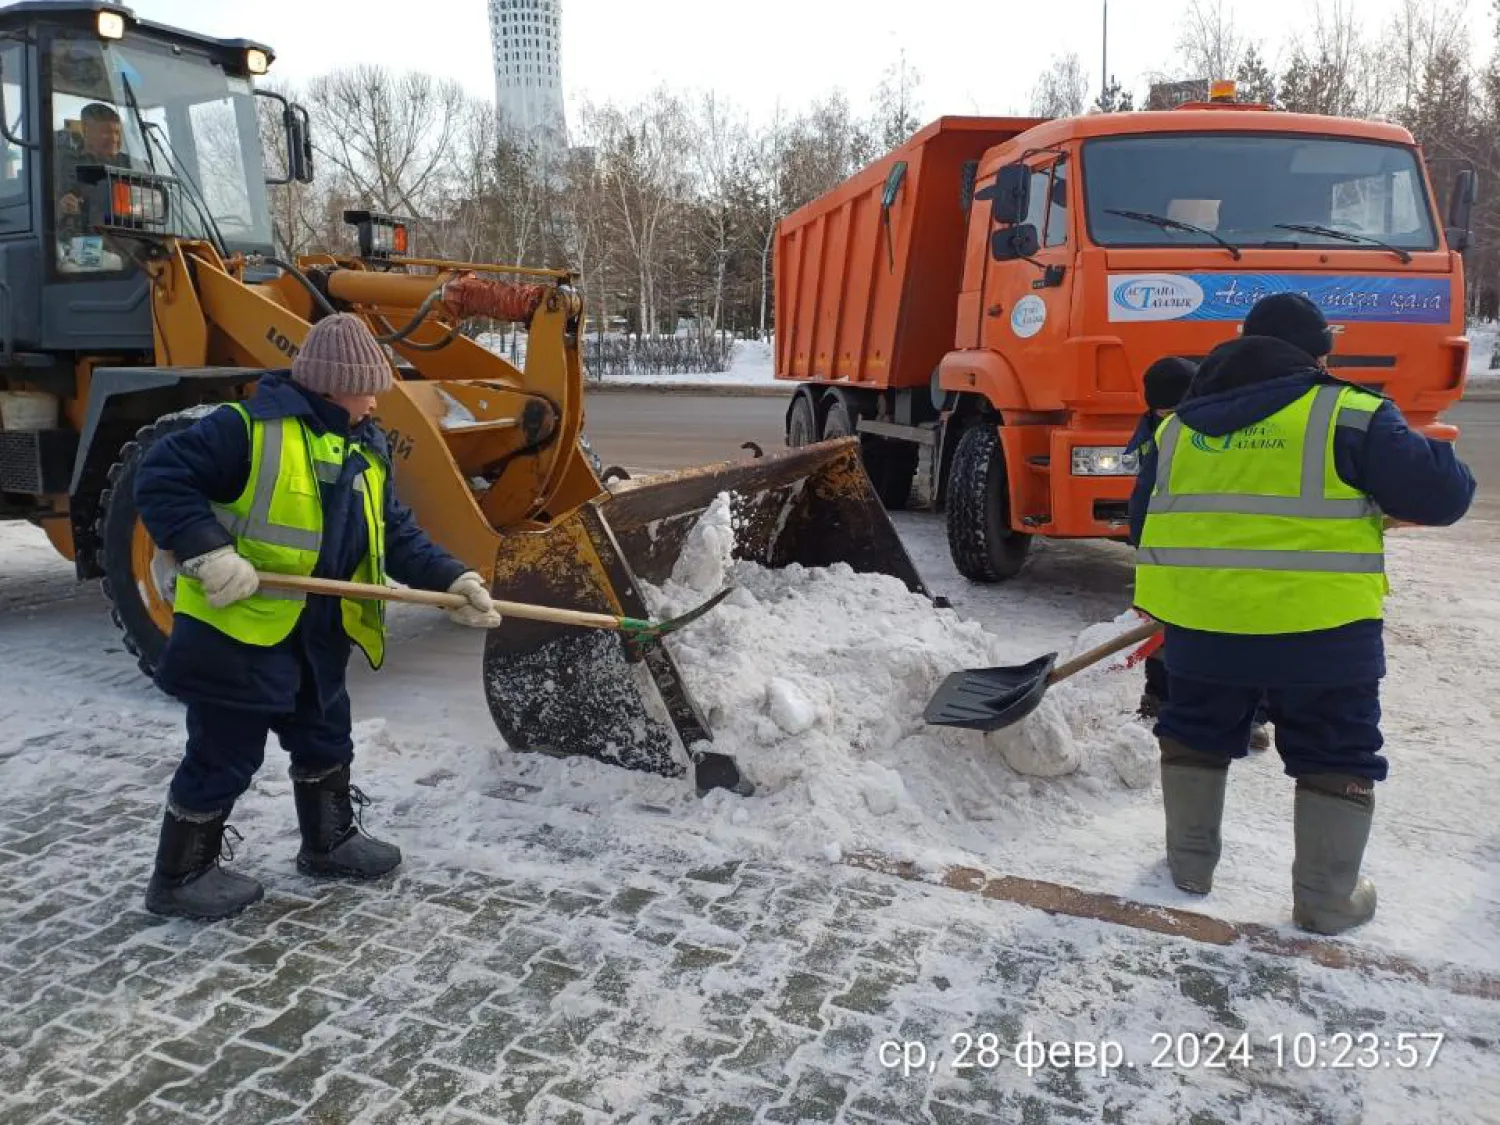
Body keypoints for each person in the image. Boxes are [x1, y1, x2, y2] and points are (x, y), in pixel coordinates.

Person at [134, 313, 505, 922]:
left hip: (319, 632)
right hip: (239, 630)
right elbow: (161, 477)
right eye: (366, 388)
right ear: (332, 385)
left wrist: (453, 579)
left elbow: (398, 534)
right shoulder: (244, 430)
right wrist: (206, 549)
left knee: (326, 734)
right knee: (224, 753)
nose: (374, 400)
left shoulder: (366, 447)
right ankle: (181, 875)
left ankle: (329, 842)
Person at [1129, 292, 1475, 935]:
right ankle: (1325, 900)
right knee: (1336, 749)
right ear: (1317, 354)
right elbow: (1445, 496)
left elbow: (1139, 522)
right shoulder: (1350, 414)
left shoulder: (1176, 429)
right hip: (1323, 634)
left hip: (1202, 629)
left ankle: (1189, 868)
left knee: (1195, 731)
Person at [1127, 356, 1271, 753]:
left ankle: (1253, 716)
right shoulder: (1155, 430)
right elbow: (1143, 492)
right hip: (1169, 552)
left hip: (1229, 550)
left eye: (1174, 409)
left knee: (1240, 634)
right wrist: (1143, 541)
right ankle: (1159, 696)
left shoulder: (1223, 430)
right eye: (1159, 410)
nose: (1167, 417)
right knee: (1163, 631)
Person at [56, 102, 132, 230]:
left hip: (123, 238)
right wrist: (62, 208)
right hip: (79, 237)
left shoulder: (130, 165)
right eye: (106, 133)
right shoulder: (63, 162)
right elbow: (46, 208)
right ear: (86, 130)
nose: (114, 139)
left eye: (117, 133)